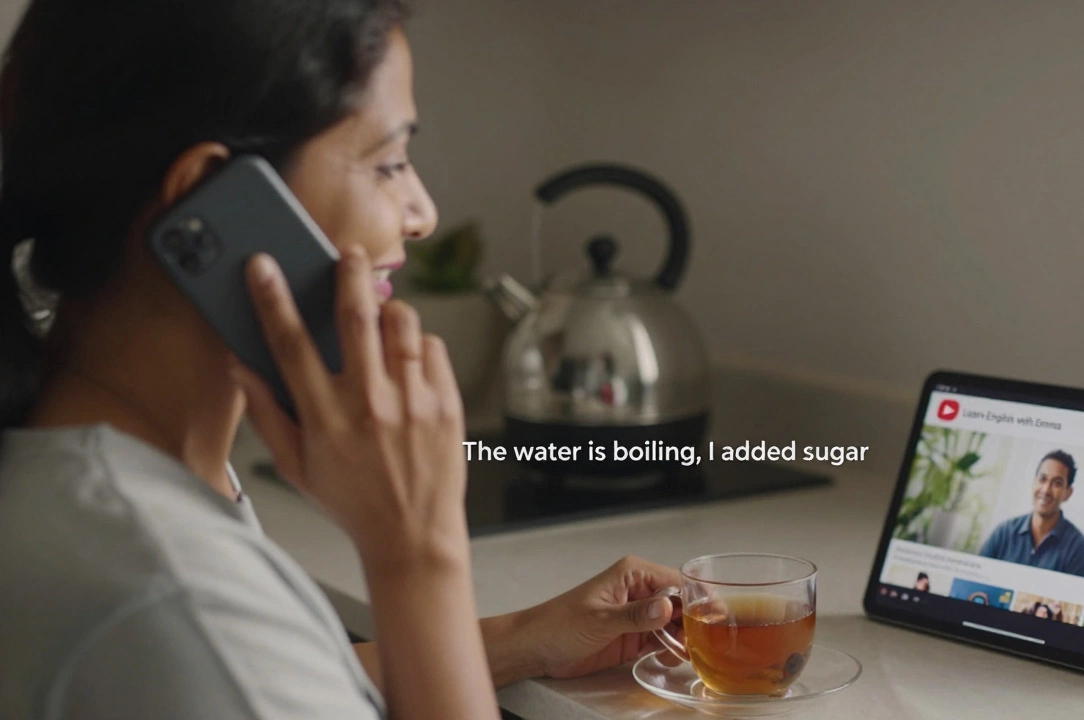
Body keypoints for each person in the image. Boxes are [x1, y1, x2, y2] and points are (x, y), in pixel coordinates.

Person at [0, 2, 682, 718]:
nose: (422, 214)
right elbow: (222, 656)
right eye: (389, 164)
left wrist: (522, 639)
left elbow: (264, 680)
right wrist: (420, 558)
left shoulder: (83, 464)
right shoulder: (169, 593)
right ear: (209, 201)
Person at [978, 449, 1084, 577]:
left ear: (1068, 493)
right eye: (1042, 479)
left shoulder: (1076, 546)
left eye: (1057, 483)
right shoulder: (1004, 532)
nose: (1046, 490)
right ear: (1034, 482)